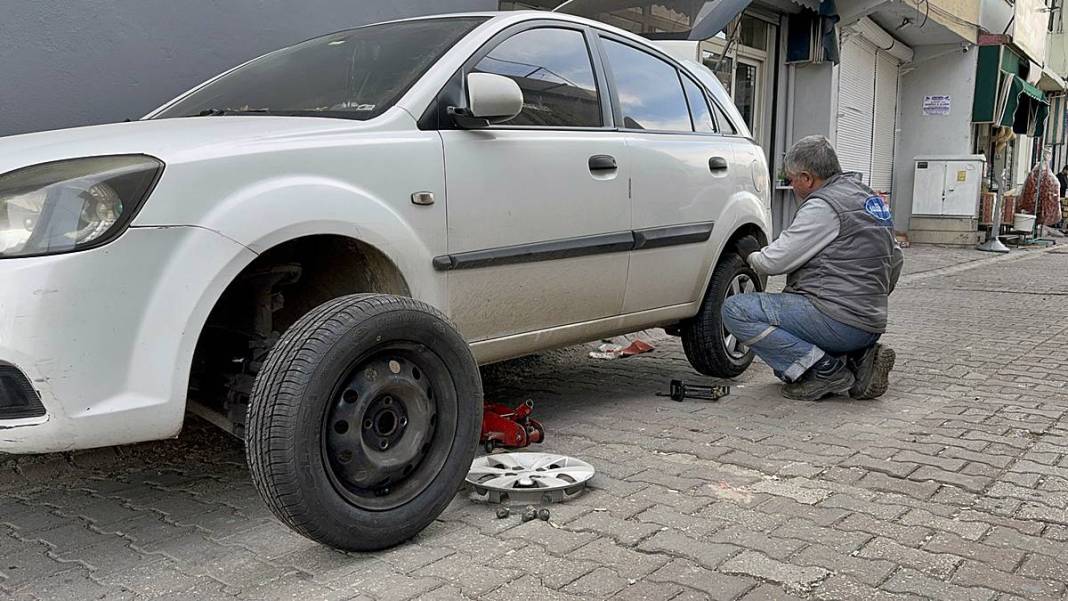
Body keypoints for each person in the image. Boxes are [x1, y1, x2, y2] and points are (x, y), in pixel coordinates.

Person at [723, 135, 904, 401]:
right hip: (870, 322)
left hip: (837, 319)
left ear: (807, 178)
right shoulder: (868, 198)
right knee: (787, 368)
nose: (791, 186)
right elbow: (896, 260)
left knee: (736, 311)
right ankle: (858, 359)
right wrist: (867, 298)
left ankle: (826, 371)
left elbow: (774, 262)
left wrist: (751, 254)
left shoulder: (823, 206)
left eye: (791, 180)